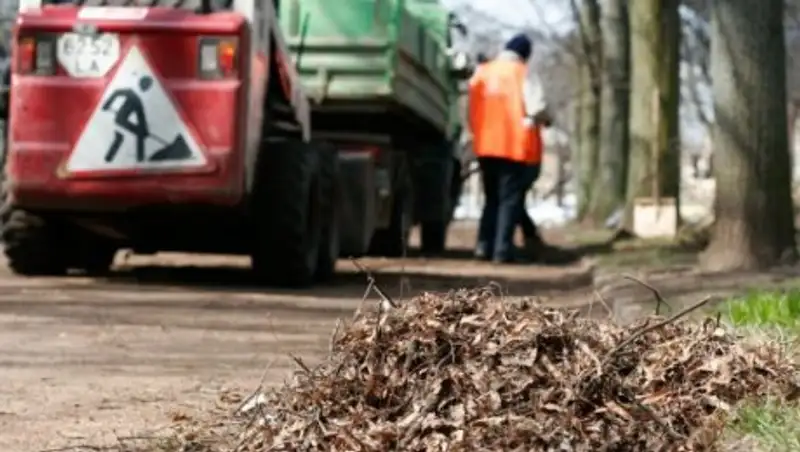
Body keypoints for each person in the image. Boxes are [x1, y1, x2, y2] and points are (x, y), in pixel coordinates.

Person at [468, 34, 553, 263]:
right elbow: (537, 107)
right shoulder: (522, 73)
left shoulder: (483, 72)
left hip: (485, 145)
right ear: (524, 54)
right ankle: (502, 251)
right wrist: (547, 119)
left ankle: (483, 246)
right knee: (509, 200)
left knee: (491, 198)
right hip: (513, 146)